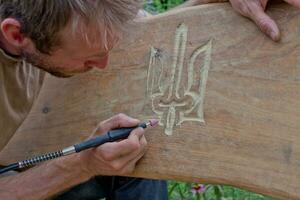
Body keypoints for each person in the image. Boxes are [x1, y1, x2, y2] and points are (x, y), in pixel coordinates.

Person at [0, 0, 298, 200]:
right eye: (91, 59)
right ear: (15, 35)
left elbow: (153, 32)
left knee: (132, 153)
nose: (104, 63)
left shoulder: (59, 22)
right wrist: (80, 165)